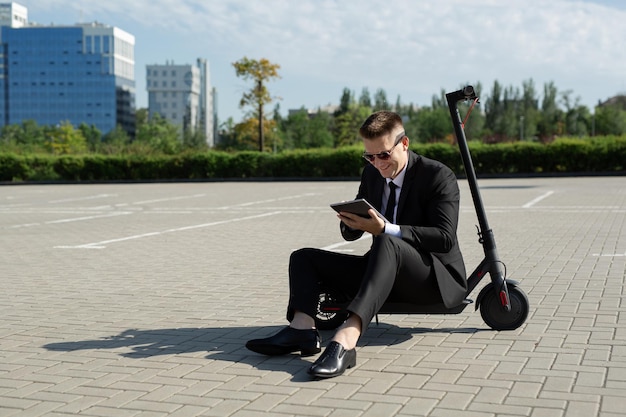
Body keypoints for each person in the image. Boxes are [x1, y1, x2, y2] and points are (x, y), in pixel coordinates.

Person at [246, 110, 468, 378]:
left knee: (387, 241)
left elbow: (444, 238)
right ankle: (302, 330)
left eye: (384, 154)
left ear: (404, 143)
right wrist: (351, 223)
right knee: (303, 257)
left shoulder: (437, 176)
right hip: (383, 271)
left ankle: (346, 339)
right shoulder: (371, 174)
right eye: (370, 156)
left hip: (432, 279)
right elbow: (353, 232)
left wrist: (385, 228)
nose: (378, 163)